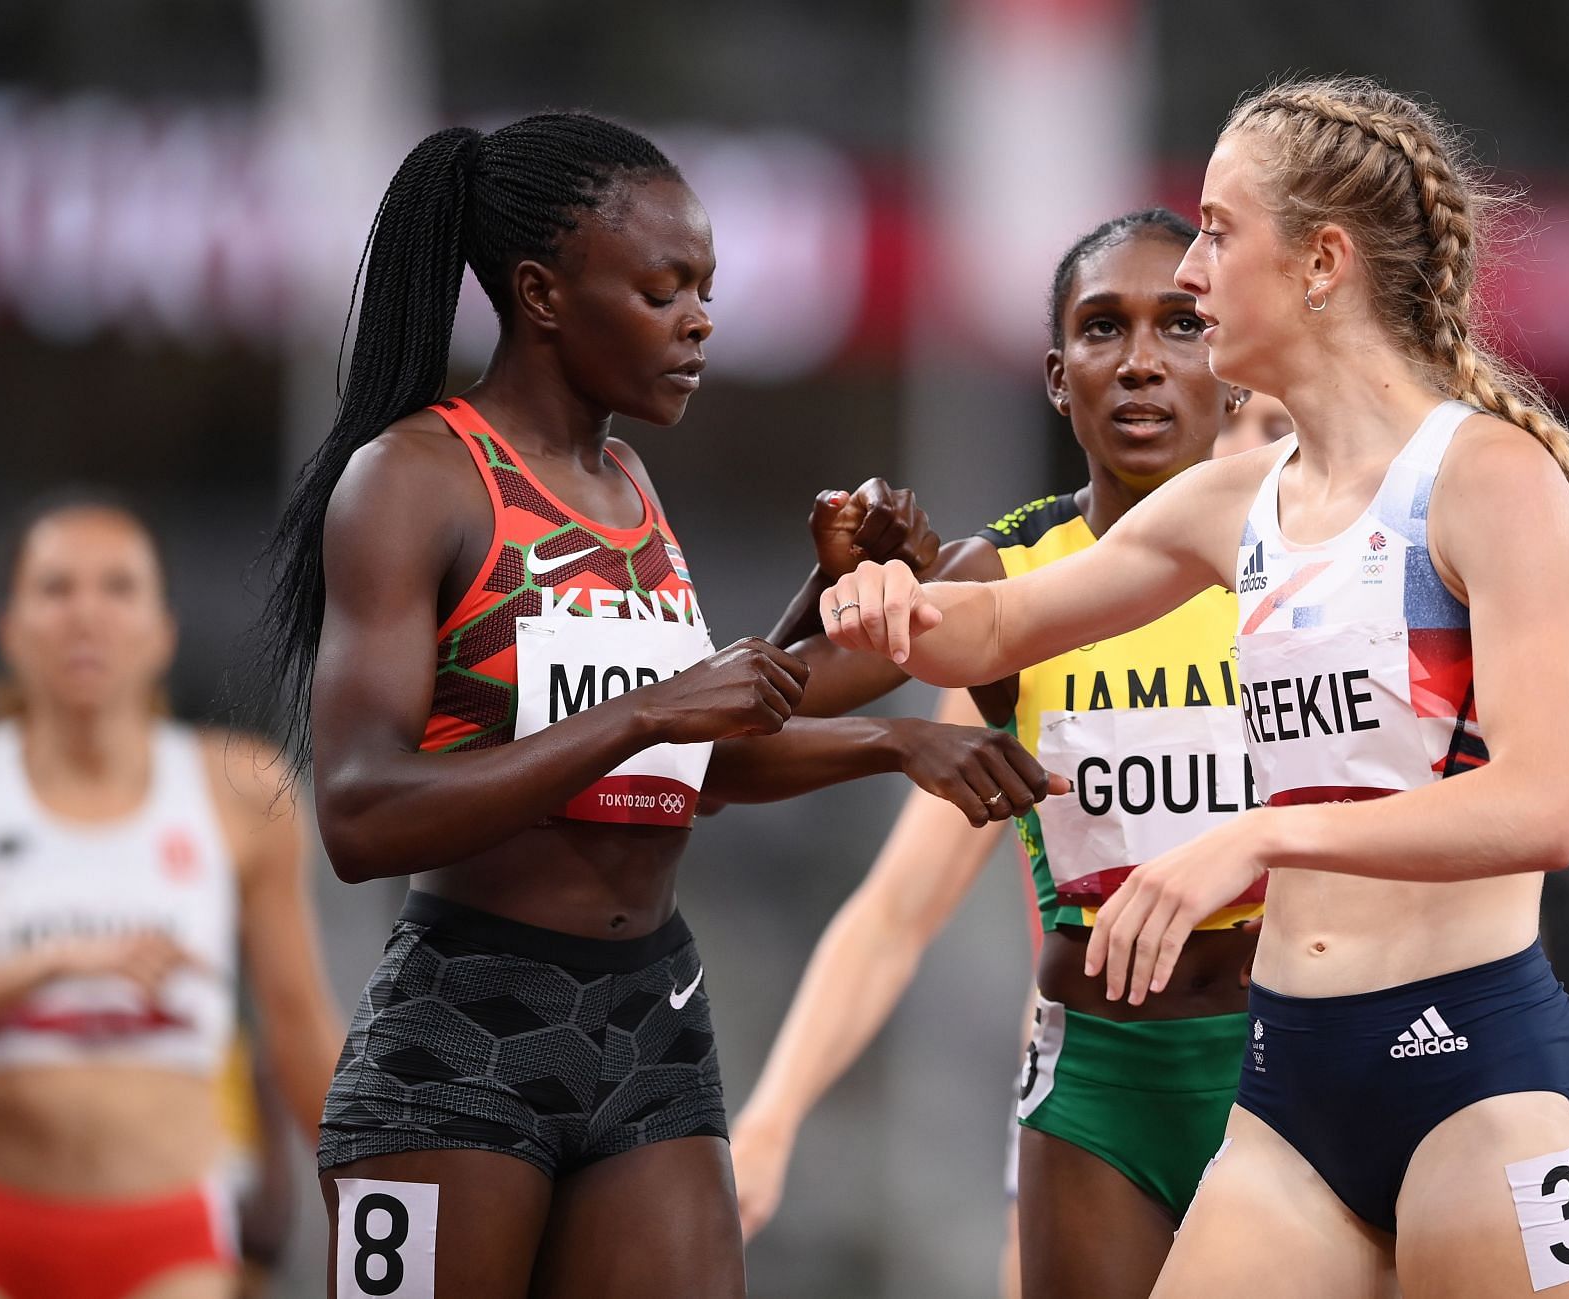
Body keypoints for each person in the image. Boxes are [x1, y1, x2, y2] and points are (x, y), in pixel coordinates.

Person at [823, 75, 1569, 1297]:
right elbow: (994, 624)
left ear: (1321, 261)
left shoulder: (1486, 480)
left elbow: (1542, 806)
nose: (1193, 273)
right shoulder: (1237, 500)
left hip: (1479, 1078)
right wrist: (889, 604)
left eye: (1218, 230)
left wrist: (1254, 838)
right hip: (1292, 1094)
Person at [247, 112, 1059, 1299]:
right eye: (665, 288)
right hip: (464, 1029)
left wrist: (845, 640)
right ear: (542, 293)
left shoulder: (625, 484)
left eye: (708, 290)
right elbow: (362, 816)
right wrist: (653, 712)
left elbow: (694, 755)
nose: (701, 322)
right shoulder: (415, 478)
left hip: (650, 1025)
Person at [739, 209, 1262, 1299]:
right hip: (1100, 1082)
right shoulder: (1006, 583)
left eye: (1180, 325)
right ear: (1056, 377)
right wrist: (774, 1119)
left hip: (1287, 1064)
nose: (1138, 364)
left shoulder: (1308, 561)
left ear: (1236, 366)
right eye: (1102, 329)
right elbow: (753, 749)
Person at [0, 494, 342, 1299]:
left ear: (162, 630)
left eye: (118, 587)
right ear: (10, 628)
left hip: (169, 1233)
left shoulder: (241, 788)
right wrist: (59, 961)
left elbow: (299, 1029)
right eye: (56, 588)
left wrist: (381, 1202)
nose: (87, 615)